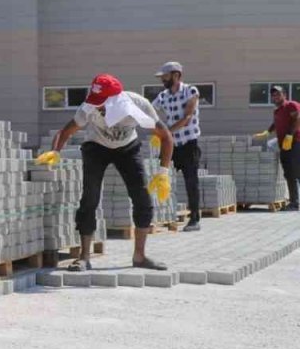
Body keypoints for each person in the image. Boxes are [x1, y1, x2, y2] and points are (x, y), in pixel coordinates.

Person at [37, 74, 175, 272]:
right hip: (96, 147)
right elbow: (66, 131)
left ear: (116, 100)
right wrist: (55, 152)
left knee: (142, 198)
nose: (97, 107)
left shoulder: (138, 105)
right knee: (89, 198)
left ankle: (140, 256)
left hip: (128, 148)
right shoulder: (89, 107)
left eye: (102, 103)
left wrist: (163, 172)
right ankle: (84, 258)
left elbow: (166, 137)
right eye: (95, 102)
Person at [150, 61, 203, 231]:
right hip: (171, 145)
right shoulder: (163, 96)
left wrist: (166, 132)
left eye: (165, 77)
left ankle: (195, 218)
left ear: (176, 75)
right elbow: (150, 109)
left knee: (191, 181)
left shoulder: (190, 91)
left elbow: (187, 117)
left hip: (188, 144)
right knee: (160, 176)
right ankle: (158, 215)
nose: (163, 80)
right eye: (162, 77)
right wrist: (154, 129)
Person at [253, 85, 300, 210]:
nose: (275, 97)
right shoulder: (277, 111)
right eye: (273, 95)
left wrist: (290, 136)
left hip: (295, 143)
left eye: (278, 94)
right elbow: (276, 123)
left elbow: (298, 119)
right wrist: (267, 132)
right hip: (284, 145)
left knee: (295, 172)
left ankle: (295, 202)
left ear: (284, 95)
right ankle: (294, 202)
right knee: (289, 173)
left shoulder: (291, 105)